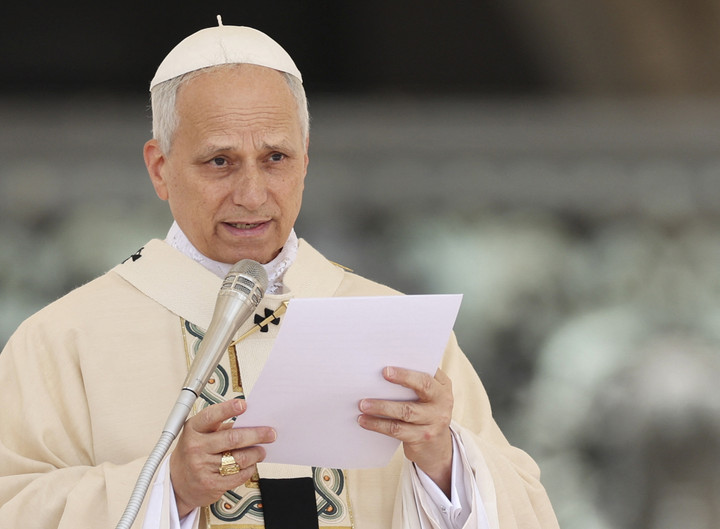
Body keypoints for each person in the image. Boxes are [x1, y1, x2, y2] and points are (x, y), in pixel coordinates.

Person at [0, 18, 559, 529]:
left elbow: (527, 509)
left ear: (305, 160)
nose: (251, 194)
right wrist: (169, 488)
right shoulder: (63, 339)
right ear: (160, 168)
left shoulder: (396, 328)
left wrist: (444, 461)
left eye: (275, 158)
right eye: (220, 161)